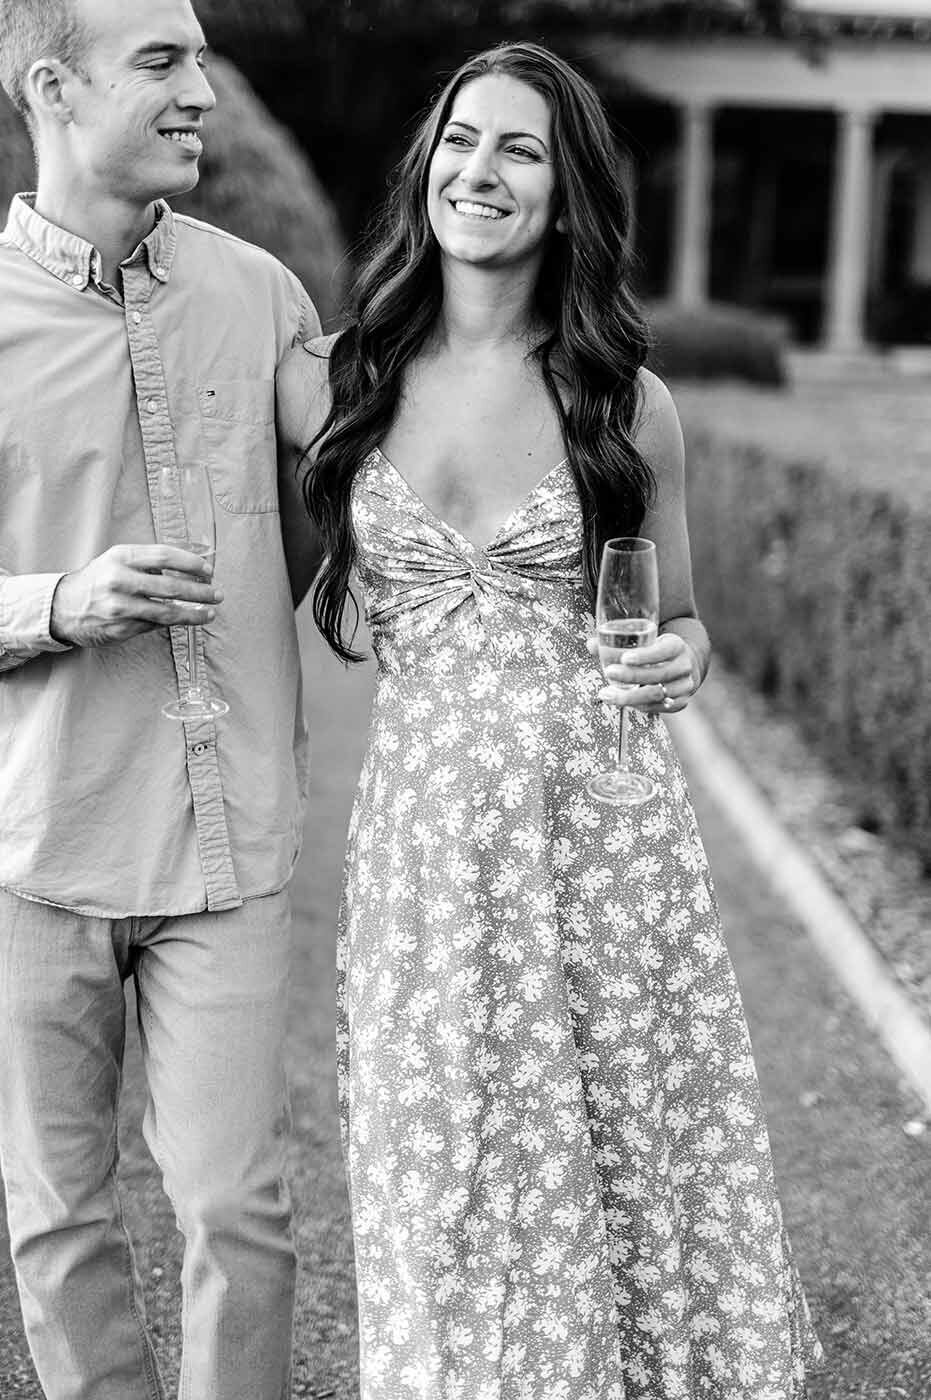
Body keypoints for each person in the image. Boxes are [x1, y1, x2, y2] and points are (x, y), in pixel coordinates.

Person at [278, 40, 824, 1400]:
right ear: (428, 166)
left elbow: (683, 616)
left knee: (637, 1174)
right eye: (463, 139)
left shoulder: (628, 401)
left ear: (567, 193)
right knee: (449, 1174)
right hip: (426, 864)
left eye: (520, 149)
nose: (482, 169)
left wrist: (679, 661)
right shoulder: (338, 381)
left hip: (605, 853)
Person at [0, 0, 321, 1396]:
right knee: (60, 1223)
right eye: (164, 61)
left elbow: (395, 494)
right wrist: (68, 602)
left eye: (198, 57)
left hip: (229, 842)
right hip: (33, 850)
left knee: (237, 1215)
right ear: (54, 85)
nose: (204, 88)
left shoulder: (263, 295)